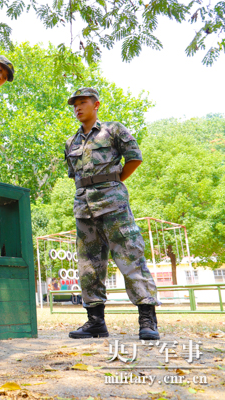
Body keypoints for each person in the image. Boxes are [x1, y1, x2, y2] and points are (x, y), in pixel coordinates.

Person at [63, 87, 161, 340]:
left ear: (96, 105)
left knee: (130, 257)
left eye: (83, 102)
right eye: (75, 104)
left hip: (113, 204)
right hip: (83, 207)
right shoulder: (71, 143)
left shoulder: (113, 130)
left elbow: (134, 158)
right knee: (89, 266)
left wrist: (114, 183)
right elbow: (74, 175)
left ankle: (147, 320)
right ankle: (95, 322)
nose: (78, 107)